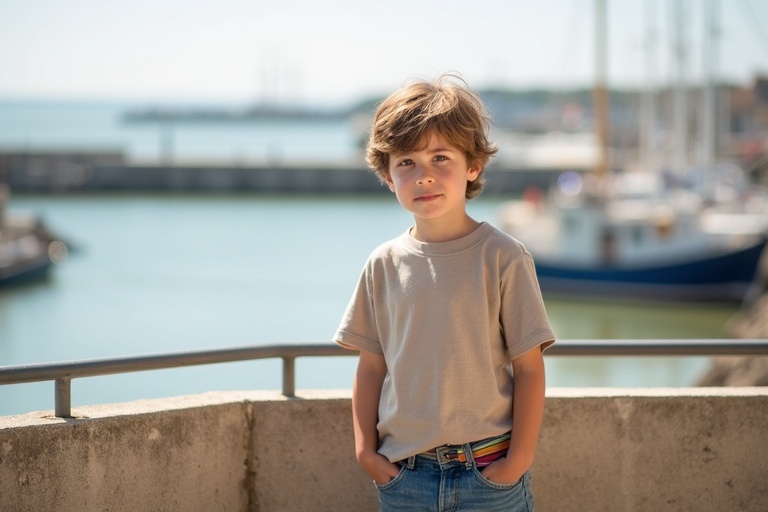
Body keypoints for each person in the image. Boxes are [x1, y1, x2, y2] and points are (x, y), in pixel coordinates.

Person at [334, 74, 556, 512]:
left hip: (489, 470)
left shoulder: (504, 257)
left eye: (440, 158)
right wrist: (366, 452)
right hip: (406, 474)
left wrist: (517, 462)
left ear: (473, 165)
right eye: (407, 163)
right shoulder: (383, 263)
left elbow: (529, 368)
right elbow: (371, 366)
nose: (424, 176)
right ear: (387, 173)